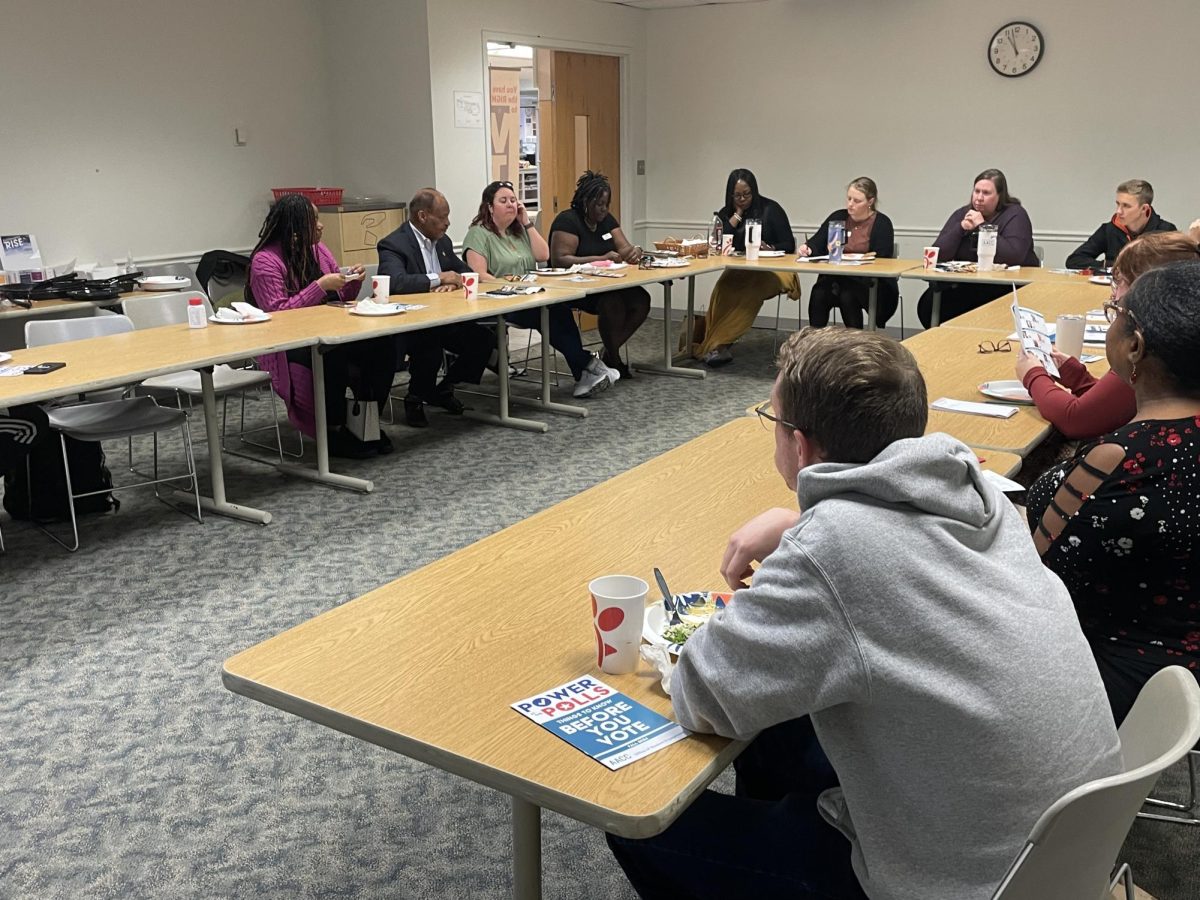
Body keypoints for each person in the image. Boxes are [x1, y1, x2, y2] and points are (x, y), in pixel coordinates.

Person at [608, 327, 1121, 899]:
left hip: (954, 882)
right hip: (1064, 853)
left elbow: (702, 696)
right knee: (783, 729)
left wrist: (804, 544)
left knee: (633, 823)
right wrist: (803, 526)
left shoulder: (831, 550)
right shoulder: (980, 496)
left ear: (799, 445)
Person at [1026, 260, 1200, 726]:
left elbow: (1034, 572)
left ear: (1135, 345)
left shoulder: (1121, 458)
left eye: (1116, 311)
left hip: (1121, 676)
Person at [246, 193, 397, 458]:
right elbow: (278, 315)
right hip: (289, 344)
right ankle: (334, 429)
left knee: (383, 346)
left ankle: (365, 422)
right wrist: (319, 286)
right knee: (332, 355)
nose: (320, 225)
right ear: (294, 228)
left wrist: (351, 281)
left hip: (329, 331)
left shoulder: (319, 250)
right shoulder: (265, 262)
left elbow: (340, 299)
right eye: (313, 220)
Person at [1016, 231, 1200, 440]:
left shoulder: (1149, 349)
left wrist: (1032, 375)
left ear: (1147, 286)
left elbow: (1075, 419)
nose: (1113, 294)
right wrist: (1076, 376)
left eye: (1120, 282)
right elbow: (1115, 406)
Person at [462, 180, 618, 398]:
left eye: (513, 200)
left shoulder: (517, 231)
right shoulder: (479, 233)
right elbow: (480, 276)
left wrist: (527, 223)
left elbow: (543, 256)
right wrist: (512, 287)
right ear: (489, 206)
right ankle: (590, 364)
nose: (510, 204)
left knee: (558, 309)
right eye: (503, 201)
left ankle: (584, 373)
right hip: (498, 301)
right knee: (548, 314)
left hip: (528, 296)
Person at [377, 188, 493, 428]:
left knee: (483, 339)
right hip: (409, 321)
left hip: (443, 317)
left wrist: (453, 283)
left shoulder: (443, 242)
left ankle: (443, 388)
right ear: (422, 216)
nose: (448, 223)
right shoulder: (394, 244)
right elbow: (395, 282)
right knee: (428, 342)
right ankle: (415, 398)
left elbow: (465, 273)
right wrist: (439, 278)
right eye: (443, 217)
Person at [691, 169, 798, 366]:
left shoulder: (771, 209)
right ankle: (712, 341)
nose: (742, 199)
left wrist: (771, 247)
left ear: (754, 191)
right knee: (723, 288)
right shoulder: (727, 213)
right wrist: (737, 214)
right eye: (737, 195)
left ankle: (722, 345)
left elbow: (789, 244)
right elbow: (722, 239)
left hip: (774, 269)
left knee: (748, 292)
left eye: (747, 194)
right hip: (742, 268)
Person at [549, 171, 649, 380]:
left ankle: (608, 354)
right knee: (612, 304)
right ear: (585, 201)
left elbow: (624, 249)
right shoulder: (568, 221)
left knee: (641, 300)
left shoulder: (606, 220)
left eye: (606, 204)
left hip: (607, 282)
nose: (604, 209)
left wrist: (634, 252)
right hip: (574, 286)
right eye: (599, 204)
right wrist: (600, 258)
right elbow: (560, 260)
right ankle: (614, 358)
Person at [917, 168, 1039, 328]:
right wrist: (961, 228)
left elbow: (1013, 255)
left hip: (1002, 287)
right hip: (965, 283)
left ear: (999, 196)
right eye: (977, 191)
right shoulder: (963, 213)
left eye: (986, 193)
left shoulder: (1015, 214)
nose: (979, 198)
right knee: (929, 301)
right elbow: (938, 254)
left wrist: (982, 226)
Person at [800, 177, 898, 329]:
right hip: (835, 278)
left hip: (867, 282)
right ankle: (814, 341)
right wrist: (808, 248)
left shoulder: (882, 223)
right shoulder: (838, 217)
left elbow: (883, 259)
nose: (850, 204)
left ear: (870, 202)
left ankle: (855, 344)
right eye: (849, 199)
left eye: (857, 201)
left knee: (848, 296)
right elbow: (818, 241)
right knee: (818, 292)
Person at [1064, 179, 1176, 270]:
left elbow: (1175, 269)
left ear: (1144, 209)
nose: (1118, 211)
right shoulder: (1109, 229)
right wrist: (1111, 266)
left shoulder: (1166, 231)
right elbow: (1074, 260)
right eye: (1118, 204)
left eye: (1126, 206)